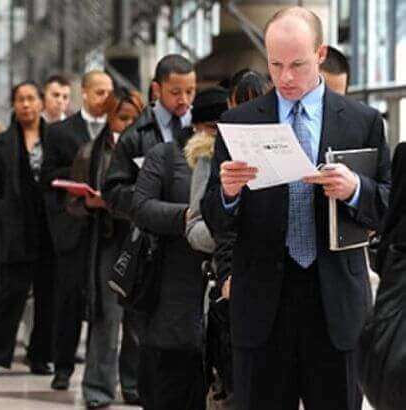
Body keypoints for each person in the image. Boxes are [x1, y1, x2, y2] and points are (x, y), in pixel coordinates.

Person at [201, 7, 391, 410]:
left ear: (320, 54)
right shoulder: (240, 123)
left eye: (298, 64)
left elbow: (390, 209)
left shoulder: (364, 122)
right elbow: (215, 218)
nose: (285, 77)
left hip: (335, 304)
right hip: (263, 307)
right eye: (275, 64)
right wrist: (228, 193)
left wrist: (356, 189)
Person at [185, 70, 269, 408]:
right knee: (231, 386)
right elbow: (198, 224)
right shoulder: (212, 153)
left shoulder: (282, 145)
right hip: (228, 283)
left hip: (271, 286)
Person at [66, 88, 145, 409]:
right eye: (120, 118)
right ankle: (98, 388)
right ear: (108, 117)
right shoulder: (89, 152)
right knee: (106, 318)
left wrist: (111, 202)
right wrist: (88, 203)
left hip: (140, 241)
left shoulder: (152, 150)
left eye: (133, 118)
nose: (126, 125)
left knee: (138, 318)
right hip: (108, 242)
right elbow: (71, 204)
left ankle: (134, 384)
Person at [41, 70, 113, 390]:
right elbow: (47, 176)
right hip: (74, 225)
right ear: (84, 92)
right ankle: (63, 366)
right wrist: (78, 175)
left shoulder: (119, 127)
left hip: (109, 226)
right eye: (99, 92)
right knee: (68, 299)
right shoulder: (60, 132)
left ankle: (103, 371)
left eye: (109, 92)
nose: (105, 98)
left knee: (107, 302)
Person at [131, 107, 208, 410]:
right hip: (168, 283)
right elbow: (141, 206)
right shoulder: (165, 155)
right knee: (167, 379)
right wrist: (187, 217)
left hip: (215, 293)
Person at [0, 82, 55, 378]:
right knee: (9, 296)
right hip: (15, 229)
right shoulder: (2, 143)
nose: (26, 105)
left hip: (49, 230)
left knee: (48, 297)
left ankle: (40, 356)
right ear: (14, 104)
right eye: (20, 100)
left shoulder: (55, 138)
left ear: (40, 103)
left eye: (31, 99)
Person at [102, 54, 196, 220]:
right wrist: (150, 193)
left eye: (190, 91)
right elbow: (113, 194)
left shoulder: (204, 127)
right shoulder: (135, 135)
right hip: (152, 232)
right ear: (157, 89)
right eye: (175, 92)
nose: (184, 100)